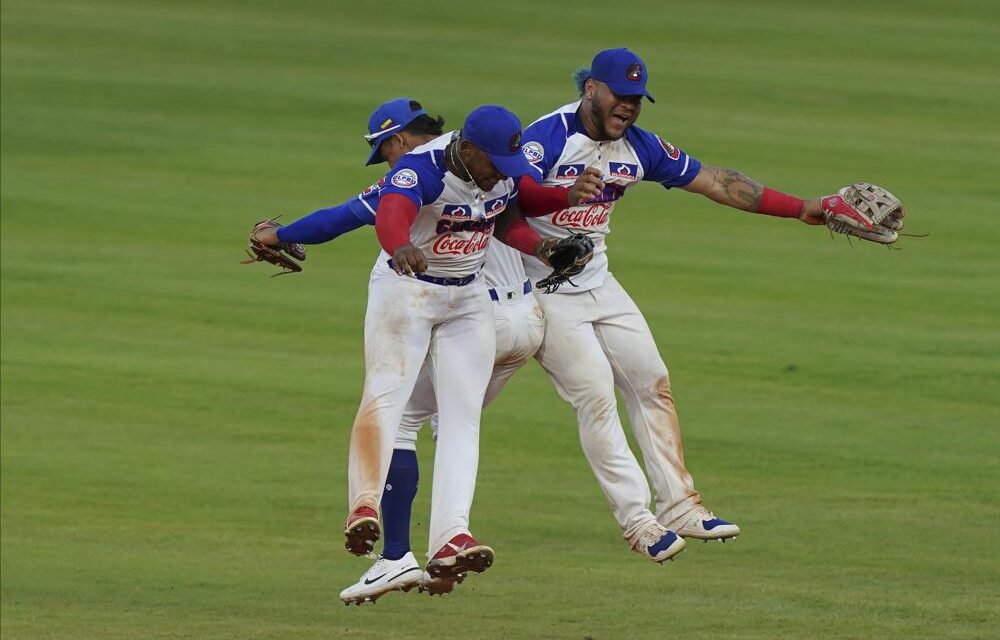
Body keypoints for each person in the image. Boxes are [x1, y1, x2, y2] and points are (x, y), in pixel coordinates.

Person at [515, 47, 832, 562]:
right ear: (591, 88)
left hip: (597, 278)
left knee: (651, 379)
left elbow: (714, 181)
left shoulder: (637, 146)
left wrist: (802, 209)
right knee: (594, 392)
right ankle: (637, 521)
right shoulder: (544, 139)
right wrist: (560, 197)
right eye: (621, 95)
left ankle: (681, 505)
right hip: (541, 287)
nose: (630, 108)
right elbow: (507, 201)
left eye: (638, 99)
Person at [341, 104, 579, 600]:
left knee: (399, 413)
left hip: (472, 310)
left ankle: (387, 541)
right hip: (516, 320)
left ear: (398, 141)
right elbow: (520, 208)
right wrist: (556, 214)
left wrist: (284, 234)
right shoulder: (458, 168)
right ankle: (445, 538)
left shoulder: (442, 171)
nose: (389, 157)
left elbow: (349, 216)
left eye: (387, 147)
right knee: (454, 421)